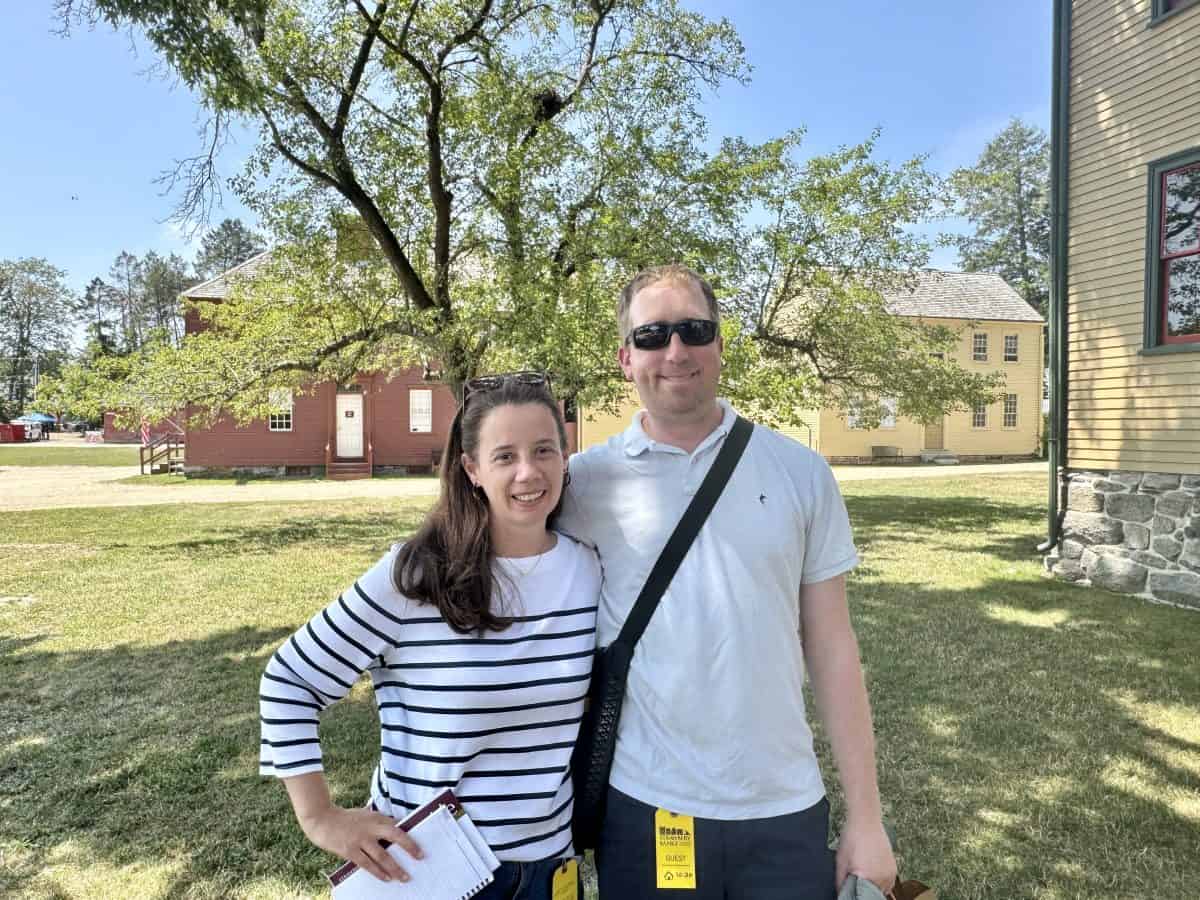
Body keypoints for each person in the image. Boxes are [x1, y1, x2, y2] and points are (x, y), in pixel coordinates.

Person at [557, 265, 897, 899]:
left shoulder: (801, 473)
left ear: (719, 343)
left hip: (783, 807)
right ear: (626, 358)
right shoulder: (583, 483)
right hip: (647, 807)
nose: (675, 351)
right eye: (652, 335)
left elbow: (832, 646)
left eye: (694, 330)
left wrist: (867, 819)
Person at [259, 374, 599, 898]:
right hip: (432, 870)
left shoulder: (588, 570)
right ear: (471, 469)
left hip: (550, 868)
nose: (528, 472)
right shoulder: (417, 576)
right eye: (504, 456)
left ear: (565, 455)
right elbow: (289, 680)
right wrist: (320, 817)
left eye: (543, 450)